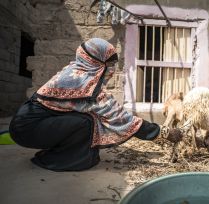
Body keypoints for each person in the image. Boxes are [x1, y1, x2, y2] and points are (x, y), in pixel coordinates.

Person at [9, 38, 171, 172]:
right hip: (27, 129)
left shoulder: (75, 71)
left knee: (89, 117)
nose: (111, 70)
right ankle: (59, 160)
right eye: (108, 65)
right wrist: (163, 133)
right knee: (86, 122)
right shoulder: (84, 85)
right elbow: (121, 119)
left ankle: (65, 152)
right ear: (95, 62)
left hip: (30, 124)